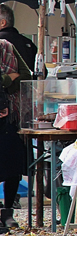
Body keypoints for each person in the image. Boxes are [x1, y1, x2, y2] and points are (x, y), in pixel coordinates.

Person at [0, 39, 33, 231]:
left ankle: (7, 210)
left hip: (11, 117)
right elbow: (12, 77)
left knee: (12, 165)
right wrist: (6, 78)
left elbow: (26, 76)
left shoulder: (7, 47)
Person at [0, 4, 39, 73]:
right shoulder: (27, 42)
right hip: (28, 83)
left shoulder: (1, 41)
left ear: (3, 23)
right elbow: (42, 71)